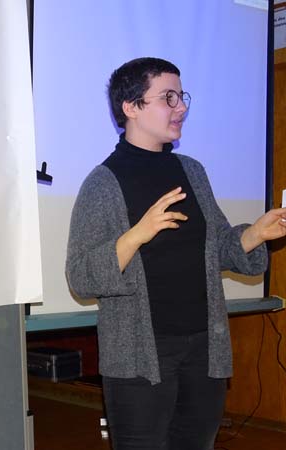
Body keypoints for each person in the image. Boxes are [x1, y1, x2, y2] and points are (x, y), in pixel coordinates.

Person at [65, 57, 286, 450]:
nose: (180, 107)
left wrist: (255, 234)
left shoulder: (192, 171)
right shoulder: (102, 184)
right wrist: (138, 233)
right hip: (139, 355)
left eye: (182, 97)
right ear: (131, 107)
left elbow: (217, 247)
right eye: (168, 97)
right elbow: (81, 276)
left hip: (204, 348)